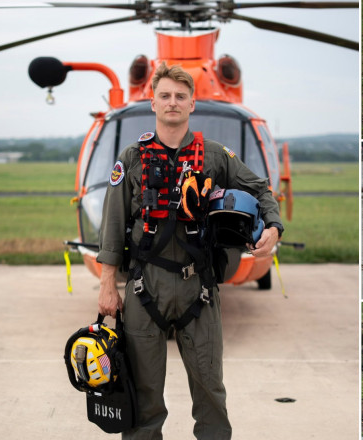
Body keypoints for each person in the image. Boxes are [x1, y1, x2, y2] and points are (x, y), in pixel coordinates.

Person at [96, 62, 284, 439]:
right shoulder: (132, 158)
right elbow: (113, 225)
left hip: (199, 287)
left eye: (181, 97)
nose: (172, 103)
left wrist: (274, 227)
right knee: (143, 396)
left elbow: (261, 188)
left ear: (192, 105)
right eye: (164, 96)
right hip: (143, 288)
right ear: (153, 103)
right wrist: (106, 285)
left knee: (211, 393)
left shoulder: (214, 156)